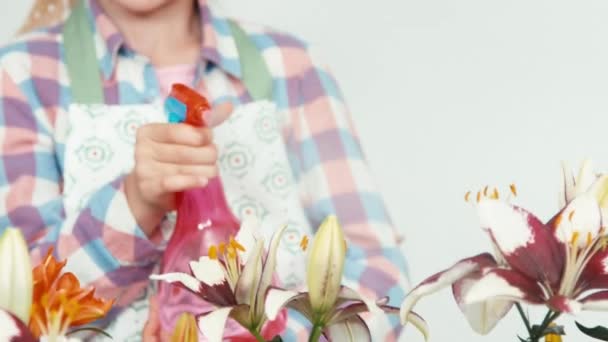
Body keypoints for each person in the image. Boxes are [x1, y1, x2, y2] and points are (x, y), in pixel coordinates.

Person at [4, 0, 410, 340]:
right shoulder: (21, 77)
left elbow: (379, 278)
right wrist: (136, 203)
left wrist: (271, 334)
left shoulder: (291, 68)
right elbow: (18, 310)